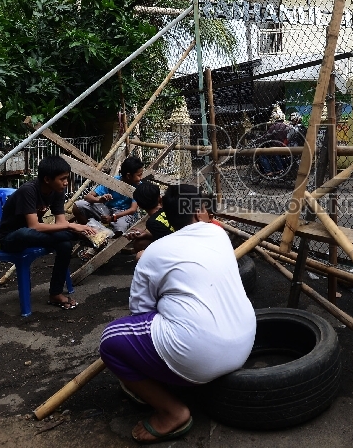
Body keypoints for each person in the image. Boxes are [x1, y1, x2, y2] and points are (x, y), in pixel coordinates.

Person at [99, 184, 256, 444]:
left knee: (110, 339)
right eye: (206, 208)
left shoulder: (152, 253)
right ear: (197, 212)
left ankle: (172, 411)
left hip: (199, 357)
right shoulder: (219, 235)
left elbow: (140, 313)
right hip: (246, 342)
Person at [0, 155, 97, 310]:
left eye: (67, 178)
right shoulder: (28, 190)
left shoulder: (57, 190)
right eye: (62, 179)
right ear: (47, 179)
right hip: (12, 238)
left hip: (36, 235)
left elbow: (61, 222)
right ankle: (78, 237)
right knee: (27, 233)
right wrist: (73, 227)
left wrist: (71, 226)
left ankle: (55, 293)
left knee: (64, 244)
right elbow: (34, 227)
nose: (66, 183)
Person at [72, 156, 143, 236]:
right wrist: (99, 200)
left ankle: (105, 236)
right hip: (107, 210)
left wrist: (113, 218)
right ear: (128, 176)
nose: (141, 178)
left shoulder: (138, 187)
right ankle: (91, 232)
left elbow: (132, 210)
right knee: (78, 206)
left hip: (124, 214)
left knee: (119, 229)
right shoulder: (113, 181)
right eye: (139, 175)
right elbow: (87, 197)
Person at [127, 181, 174, 261]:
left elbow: (165, 243)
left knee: (140, 255)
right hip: (186, 242)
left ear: (140, 206)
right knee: (140, 243)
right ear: (159, 198)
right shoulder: (170, 208)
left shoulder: (152, 222)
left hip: (175, 249)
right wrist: (146, 235)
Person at [257, 110, 290, 177]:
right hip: (286, 147)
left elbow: (266, 136)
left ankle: (269, 171)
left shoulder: (274, 127)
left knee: (262, 155)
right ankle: (279, 169)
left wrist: (259, 141)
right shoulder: (287, 126)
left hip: (276, 147)